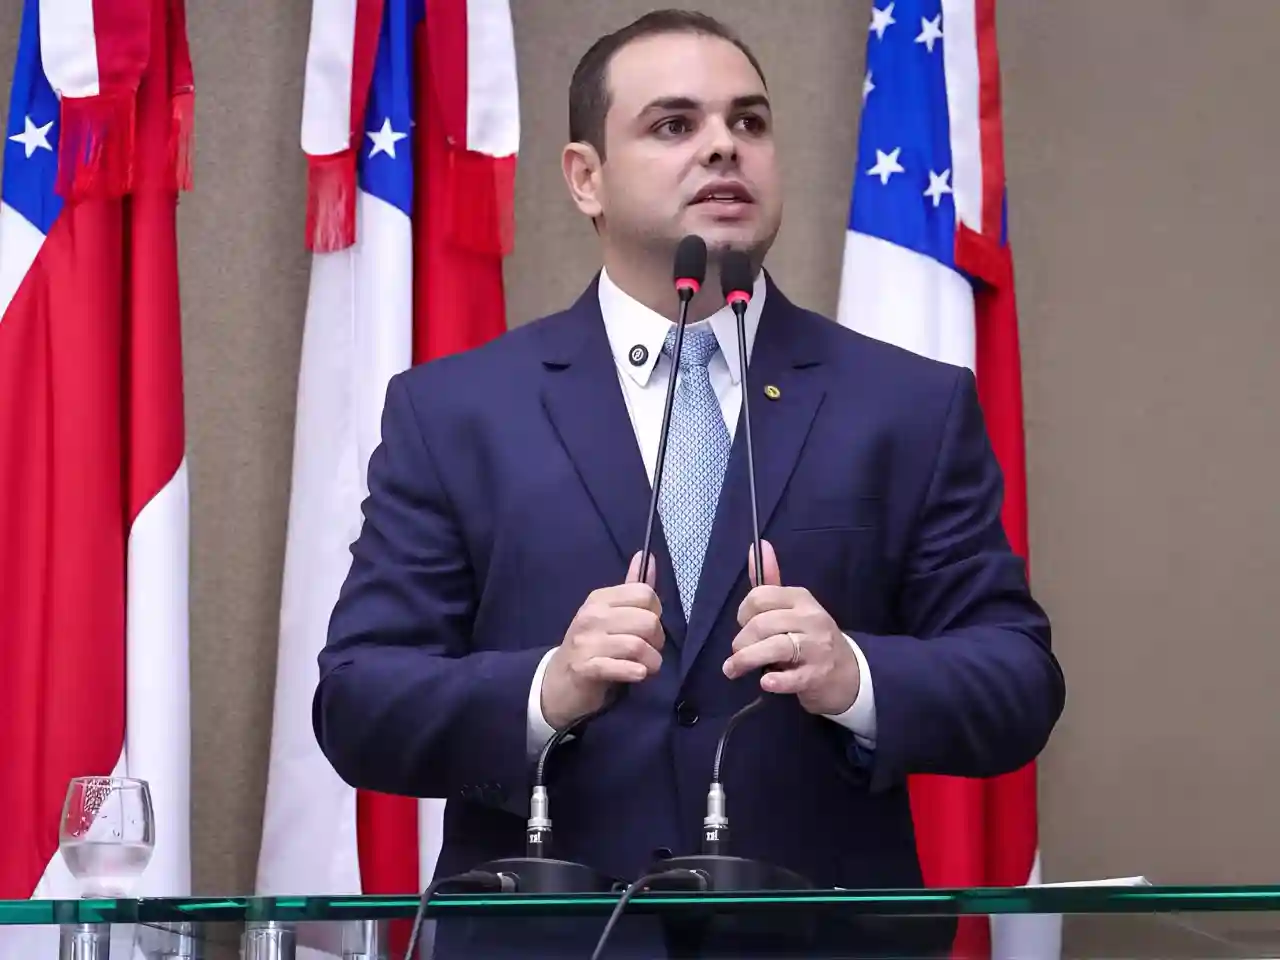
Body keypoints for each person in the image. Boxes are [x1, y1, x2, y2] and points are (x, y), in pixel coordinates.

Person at [313, 8, 1065, 957]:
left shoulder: (909, 405)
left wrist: (856, 676)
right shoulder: (456, 411)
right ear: (585, 177)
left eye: (749, 122)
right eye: (674, 124)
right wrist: (547, 686)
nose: (723, 146)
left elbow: (1017, 679)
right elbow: (360, 701)